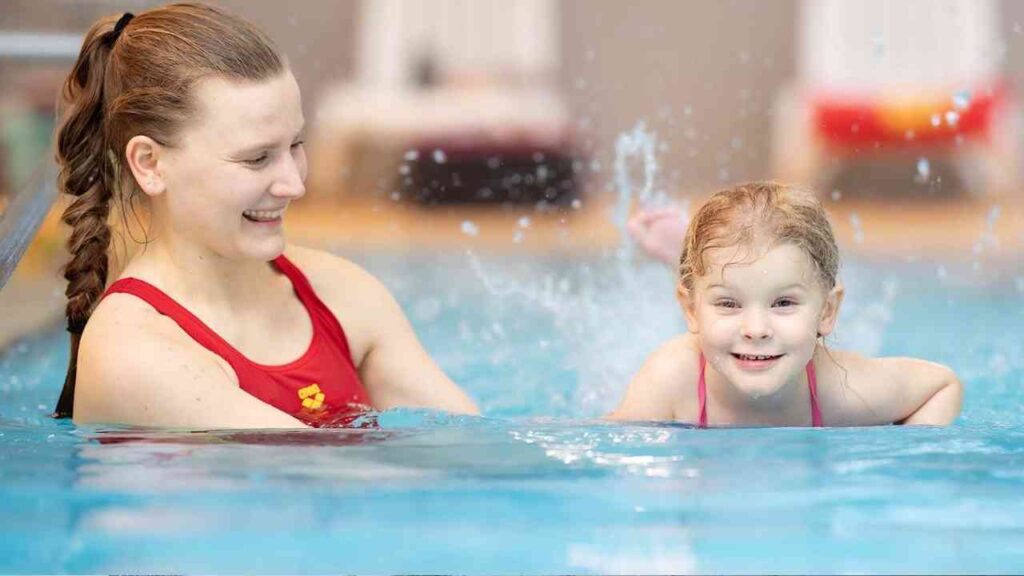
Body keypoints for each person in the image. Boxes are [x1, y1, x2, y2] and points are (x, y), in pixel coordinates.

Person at [53, 3, 478, 429]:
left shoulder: (340, 293)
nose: (294, 185)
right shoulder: (132, 351)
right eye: (257, 158)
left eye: (295, 145)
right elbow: (322, 478)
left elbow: (471, 444)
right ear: (150, 164)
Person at [610, 181, 962, 426]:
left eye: (783, 303)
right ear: (689, 310)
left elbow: (940, 385)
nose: (757, 330)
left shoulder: (840, 390)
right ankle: (690, 262)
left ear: (827, 311)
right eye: (729, 304)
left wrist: (910, 461)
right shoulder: (673, 380)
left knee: (736, 277)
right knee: (734, 275)